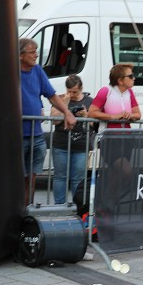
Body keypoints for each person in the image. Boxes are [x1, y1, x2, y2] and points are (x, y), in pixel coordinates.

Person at [19, 37, 75, 204]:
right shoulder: (11, 71)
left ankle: (28, 212)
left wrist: (67, 112)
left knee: (32, 176)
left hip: (36, 134)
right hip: (17, 135)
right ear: (21, 55)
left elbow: (51, 95)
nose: (36, 55)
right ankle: (15, 213)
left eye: (36, 52)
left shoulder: (37, 71)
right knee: (17, 178)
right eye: (32, 52)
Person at [51, 75, 94, 208]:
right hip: (61, 144)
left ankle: (78, 207)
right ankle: (59, 206)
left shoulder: (89, 101)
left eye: (75, 92)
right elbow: (55, 120)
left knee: (78, 179)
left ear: (81, 89)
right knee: (60, 177)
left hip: (81, 145)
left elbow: (93, 124)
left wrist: (86, 116)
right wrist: (65, 104)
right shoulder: (59, 99)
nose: (72, 94)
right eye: (69, 91)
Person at [89, 63, 141, 130]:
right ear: (120, 81)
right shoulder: (105, 91)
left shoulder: (129, 92)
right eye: (130, 76)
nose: (134, 78)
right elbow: (92, 113)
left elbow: (138, 114)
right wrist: (114, 117)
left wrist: (130, 115)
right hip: (108, 136)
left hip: (126, 136)